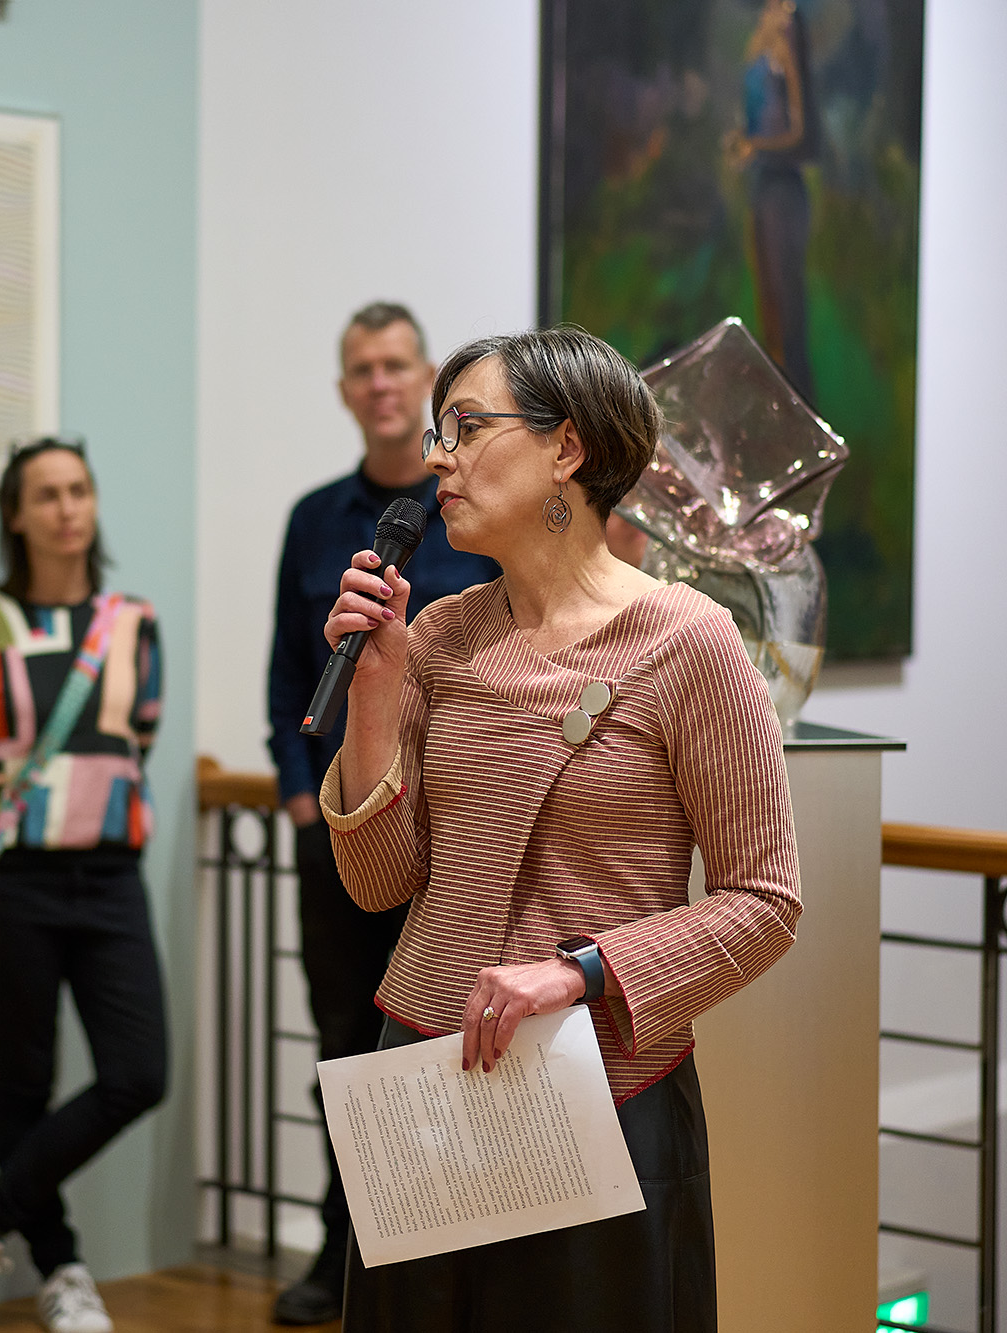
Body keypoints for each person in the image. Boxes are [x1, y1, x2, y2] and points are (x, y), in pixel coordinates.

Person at [318, 327, 801, 1331]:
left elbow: (764, 901)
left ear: (566, 449)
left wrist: (577, 971)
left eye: (465, 426)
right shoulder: (440, 636)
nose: (435, 458)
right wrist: (375, 690)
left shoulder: (687, 641)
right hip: (424, 1076)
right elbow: (377, 882)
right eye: (434, 433)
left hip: (601, 1090)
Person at [266, 302, 499, 1325]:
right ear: (344, 390)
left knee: (431, 1039)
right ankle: (345, 1241)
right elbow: (288, 669)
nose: (380, 384)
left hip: (448, 835)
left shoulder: (469, 516)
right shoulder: (316, 517)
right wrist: (293, 787)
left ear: (425, 382)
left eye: (396, 364)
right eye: (361, 368)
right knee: (341, 1040)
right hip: (340, 822)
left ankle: (434, 1244)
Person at [0, 438, 167, 1333]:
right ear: (16, 514)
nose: (68, 508)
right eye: (47, 494)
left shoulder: (132, 620)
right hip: (10, 881)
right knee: (21, 1087)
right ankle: (64, 1268)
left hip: (111, 875)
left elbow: (133, 741)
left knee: (138, 1073)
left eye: (79, 490)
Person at [726, 0, 820, 404]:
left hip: (784, 191)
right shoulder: (759, 33)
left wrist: (755, 146)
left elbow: (804, 135)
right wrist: (743, 142)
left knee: (788, 319)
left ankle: (806, 430)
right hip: (761, 189)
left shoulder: (788, 27)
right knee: (768, 322)